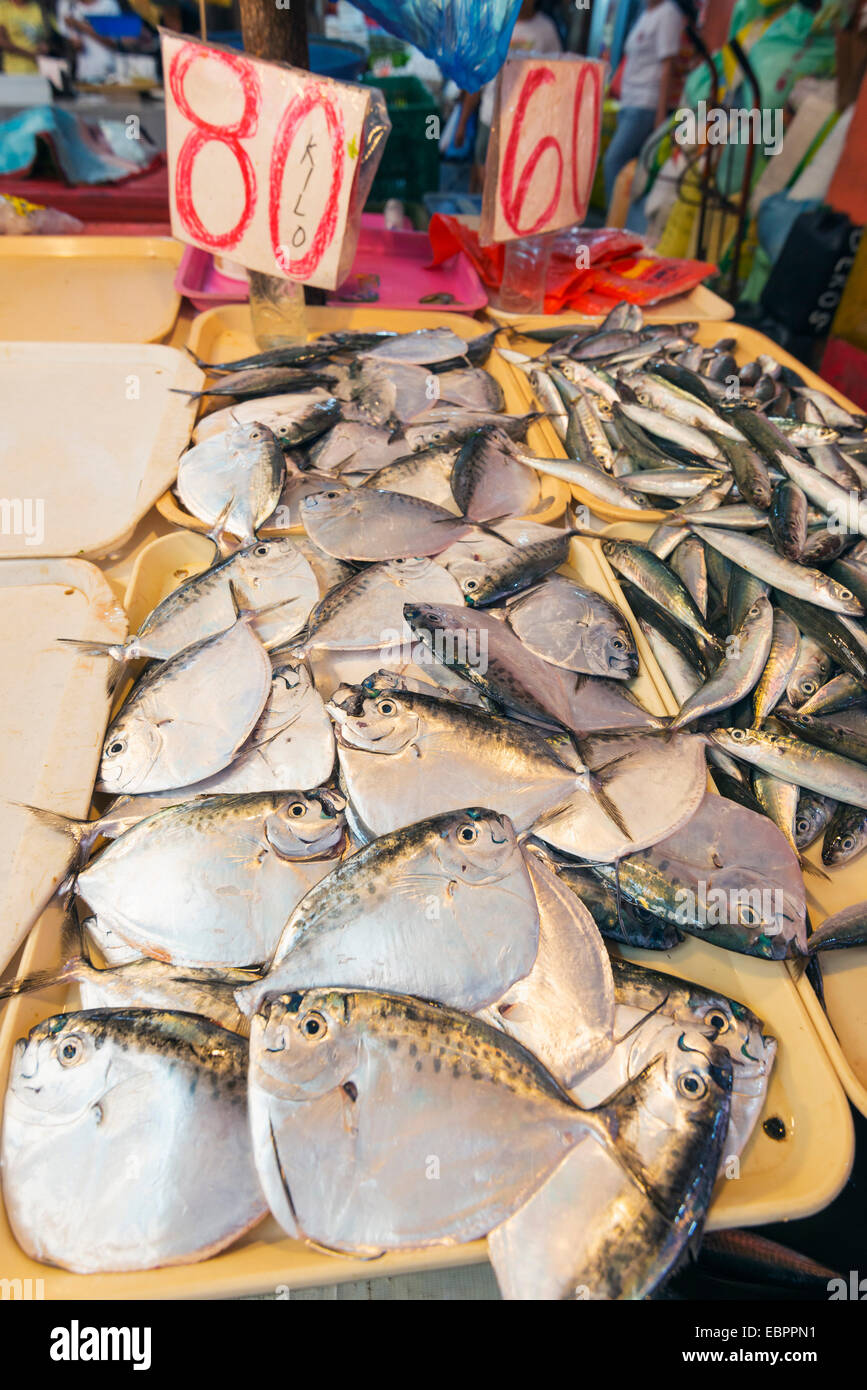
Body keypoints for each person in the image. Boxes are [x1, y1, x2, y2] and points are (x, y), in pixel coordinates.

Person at [454, 0, 563, 191]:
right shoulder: (493, 26)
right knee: (486, 175)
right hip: (490, 118)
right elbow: (478, 81)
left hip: (528, 123)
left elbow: (558, 78)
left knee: (515, 182)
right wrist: (462, 123)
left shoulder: (547, 30)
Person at [603, 0, 684, 205]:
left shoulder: (668, 13)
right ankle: (620, 223)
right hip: (629, 103)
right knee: (630, 171)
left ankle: (616, 225)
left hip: (645, 104)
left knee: (613, 161)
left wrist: (660, 116)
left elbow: (667, 67)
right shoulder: (646, 13)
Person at [56, 0, 122, 83]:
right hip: (83, 75)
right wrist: (74, 42)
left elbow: (114, 42)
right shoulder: (67, 5)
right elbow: (66, 36)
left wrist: (80, 25)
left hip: (109, 74)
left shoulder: (108, 4)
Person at [0, 0, 49, 73]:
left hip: (37, 69)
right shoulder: (3, 8)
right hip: (13, 71)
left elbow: (41, 35)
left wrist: (43, 45)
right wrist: (30, 54)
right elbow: (2, 41)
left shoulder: (35, 7)